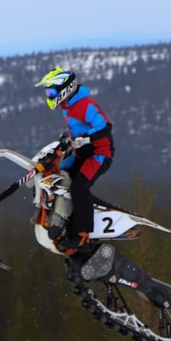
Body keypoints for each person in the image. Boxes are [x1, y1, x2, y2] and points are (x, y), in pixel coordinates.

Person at [35, 68, 114, 254]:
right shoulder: (67, 107)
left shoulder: (85, 104)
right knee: (57, 176)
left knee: (79, 187)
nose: (49, 95)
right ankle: (62, 220)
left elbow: (105, 126)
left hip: (98, 154)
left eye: (51, 91)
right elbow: (76, 131)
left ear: (65, 87)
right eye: (48, 92)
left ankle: (83, 234)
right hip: (81, 154)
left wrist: (86, 138)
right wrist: (67, 143)